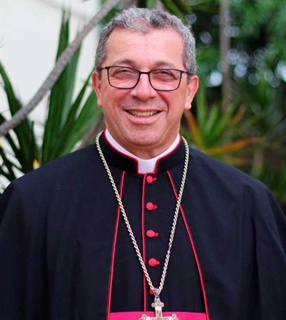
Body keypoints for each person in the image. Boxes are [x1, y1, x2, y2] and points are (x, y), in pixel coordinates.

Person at [0, 8, 285, 320]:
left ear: (189, 90)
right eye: (123, 72)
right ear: (98, 86)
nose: (144, 91)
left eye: (164, 74)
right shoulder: (30, 204)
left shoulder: (249, 205)